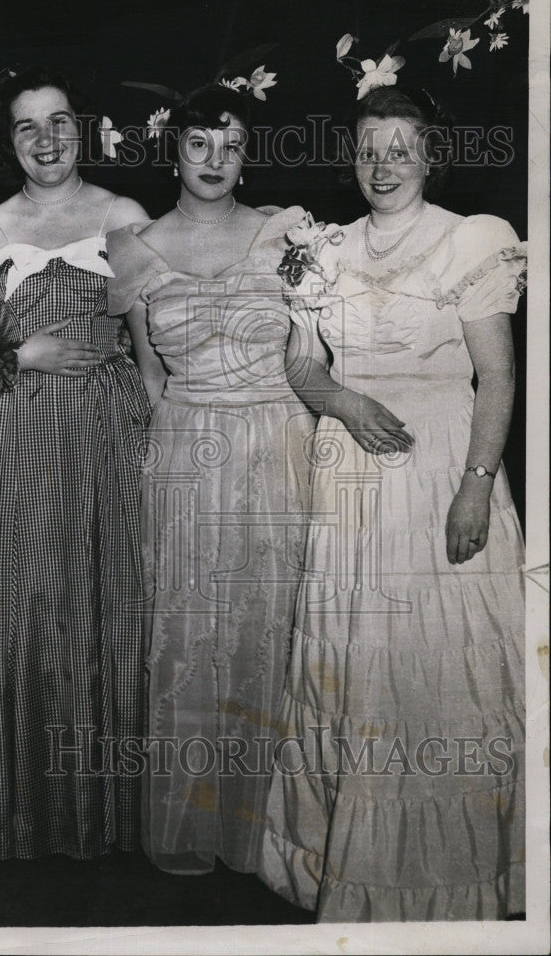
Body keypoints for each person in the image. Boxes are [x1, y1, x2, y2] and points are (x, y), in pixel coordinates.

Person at [258, 85, 526, 921]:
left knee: (440, 668)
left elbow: (498, 377)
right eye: (370, 148)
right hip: (351, 469)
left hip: (444, 457)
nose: (384, 165)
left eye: (400, 147)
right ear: (352, 158)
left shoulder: (469, 240)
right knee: (359, 669)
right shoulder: (322, 249)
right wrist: (342, 401)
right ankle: (353, 873)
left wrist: (475, 486)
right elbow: (302, 369)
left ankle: (460, 880)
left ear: (429, 156)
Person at [107, 83, 315, 875]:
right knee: (193, 636)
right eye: (199, 143)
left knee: (273, 629)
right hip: (187, 446)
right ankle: (196, 823)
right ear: (176, 150)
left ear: (248, 153)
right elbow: (149, 373)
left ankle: (268, 829)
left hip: (278, 440)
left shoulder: (286, 232)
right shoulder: (136, 247)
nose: (215, 160)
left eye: (231, 145)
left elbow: (313, 351)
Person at [0, 67, 150, 861]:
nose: (46, 140)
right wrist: (20, 350)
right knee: (28, 604)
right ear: (10, 141)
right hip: (20, 429)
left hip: (107, 427)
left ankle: (109, 819)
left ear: (82, 128)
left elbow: (149, 341)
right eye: (28, 127)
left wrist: (159, 428)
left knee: (111, 602)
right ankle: (24, 815)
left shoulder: (123, 215)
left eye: (59, 122)